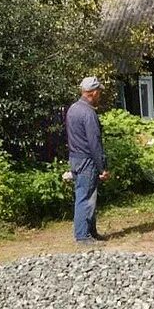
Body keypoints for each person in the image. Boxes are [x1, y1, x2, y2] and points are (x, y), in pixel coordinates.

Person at [66, 77, 110, 243]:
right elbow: (94, 143)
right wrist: (102, 167)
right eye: (99, 91)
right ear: (94, 92)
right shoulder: (89, 113)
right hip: (87, 160)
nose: (100, 95)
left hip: (75, 158)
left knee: (84, 195)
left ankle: (91, 232)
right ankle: (83, 236)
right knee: (86, 198)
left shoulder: (73, 109)